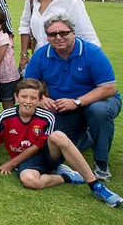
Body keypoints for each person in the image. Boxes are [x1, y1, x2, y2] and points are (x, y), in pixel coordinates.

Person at [0, 79, 122, 208]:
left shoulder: (47, 117)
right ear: (16, 97)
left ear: (40, 100)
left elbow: (39, 145)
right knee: (29, 181)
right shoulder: (5, 116)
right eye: (24, 97)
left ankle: (95, 185)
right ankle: (67, 177)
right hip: (27, 162)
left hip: (46, 155)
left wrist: (11, 163)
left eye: (33, 98)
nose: (28, 101)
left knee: (58, 135)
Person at [24, 15, 121, 181]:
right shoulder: (41, 54)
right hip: (62, 106)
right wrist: (41, 99)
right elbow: (29, 83)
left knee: (99, 111)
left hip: (97, 101)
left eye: (63, 32)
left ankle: (101, 162)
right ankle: (86, 138)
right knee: (55, 142)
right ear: (47, 37)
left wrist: (77, 102)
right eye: (52, 34)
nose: (58, 37)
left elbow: (109, 88)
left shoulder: (92, 52)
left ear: (73, 33)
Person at [19, 0, 99, 69]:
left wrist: (92, 63)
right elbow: (24, 26)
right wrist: (24, 55)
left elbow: (87, 35)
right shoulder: (31, 0)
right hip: (40, 57)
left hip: (66, 59)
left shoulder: (71, 0)